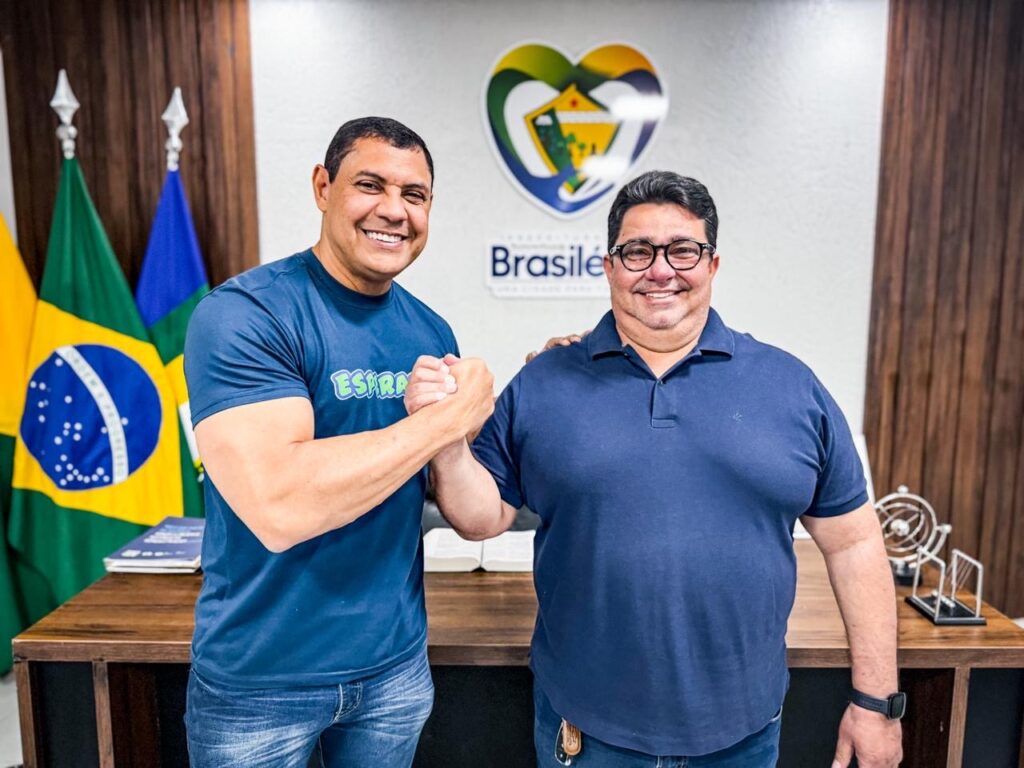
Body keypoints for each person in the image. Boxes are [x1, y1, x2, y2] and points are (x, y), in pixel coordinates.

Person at [407, 171, 903, 768]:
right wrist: (445, 438)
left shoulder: (793, 388)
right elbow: (480, 519)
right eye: (638, 251)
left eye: (683, 250)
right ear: (609, 267)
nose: (660, 270)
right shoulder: (544, 381)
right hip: (586, 732)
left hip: (744, 734)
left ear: (712, 264)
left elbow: (853, 545)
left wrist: (876, 704)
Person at [182, 116, 494, 767]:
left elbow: (466, 510)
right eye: (370, 185)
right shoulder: (245, 315)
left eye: (414, 195)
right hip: (261, 680)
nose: (394, 210)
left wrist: (452, 441)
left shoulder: (429, 331)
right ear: (323, 187)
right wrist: (442, 422)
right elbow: (280, 506)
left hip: (394, 669)